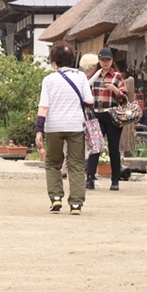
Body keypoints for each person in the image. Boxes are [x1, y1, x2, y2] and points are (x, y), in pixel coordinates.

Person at [35, 42, 93, 214]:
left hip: (53, 126)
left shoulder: (48, 80)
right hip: (76, 125)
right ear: (72, 59)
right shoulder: (81, 77)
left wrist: (39, 130)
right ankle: (76, 204)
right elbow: (89, 101)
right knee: (76, 163)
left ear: (54, 61)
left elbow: (43, 107)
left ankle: (56, 197)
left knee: (53, 162)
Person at [86, 47, 127, 191]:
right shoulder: (94, 76)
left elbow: (125, 98)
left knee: (113, 148)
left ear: (112, 61)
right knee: (95, 146)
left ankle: (115, 179)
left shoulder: (117, 77)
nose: (105, 63)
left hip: (112, 114)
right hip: (96, 113)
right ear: (99, 60)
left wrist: (115, 90)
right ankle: (90, 177)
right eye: (103, 60)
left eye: (108, 60)